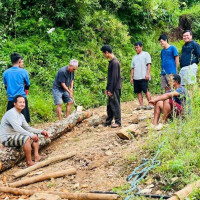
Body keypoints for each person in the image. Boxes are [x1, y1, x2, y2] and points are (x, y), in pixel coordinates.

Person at [0, 95, 49, 167]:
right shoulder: (11, 113)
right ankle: (29, 162)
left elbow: (27, 128)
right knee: (27, 138)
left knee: (35, 135)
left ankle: (36, 156)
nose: (22, 104)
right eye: (20, 102)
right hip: (7, 138)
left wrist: (41, 131)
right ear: (15, 103)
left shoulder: (21, 115)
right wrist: (31, 135)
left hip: (16, 136)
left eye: (23, 102)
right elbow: (18, 128)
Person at [3, 53, 31, 123]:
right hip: (21, 99)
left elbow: (6, 86)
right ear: (19, 61)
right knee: (24, 122)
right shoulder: (24, 72)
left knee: (11, 122)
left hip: (11, 99)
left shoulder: (6, 72)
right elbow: (28, 84)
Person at [101, 45, 122, 128]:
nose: (104, 55)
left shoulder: (115, 63)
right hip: (111, 87)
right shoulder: (112, 62)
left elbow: (114, 78)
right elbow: (109, 78)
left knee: (116, 104)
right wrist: (107, 88)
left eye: (103, 53)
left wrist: (111, 90)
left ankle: (118, 121)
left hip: (115, 87)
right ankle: (109, 121)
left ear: (107, 52)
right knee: (110, 105)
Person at [130, 41, 153, 110]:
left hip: (143, 76)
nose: (136, 49)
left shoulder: (146, 54)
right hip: (136, 77)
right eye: (135, 48)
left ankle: (150, 103)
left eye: (137, 47)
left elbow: (149, 64)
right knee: (138, 92)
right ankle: (141, 105)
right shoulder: (134, 57)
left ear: (141, 47)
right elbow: (132, 68)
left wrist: (148, 74)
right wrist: (131, 77)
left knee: (146, 90)